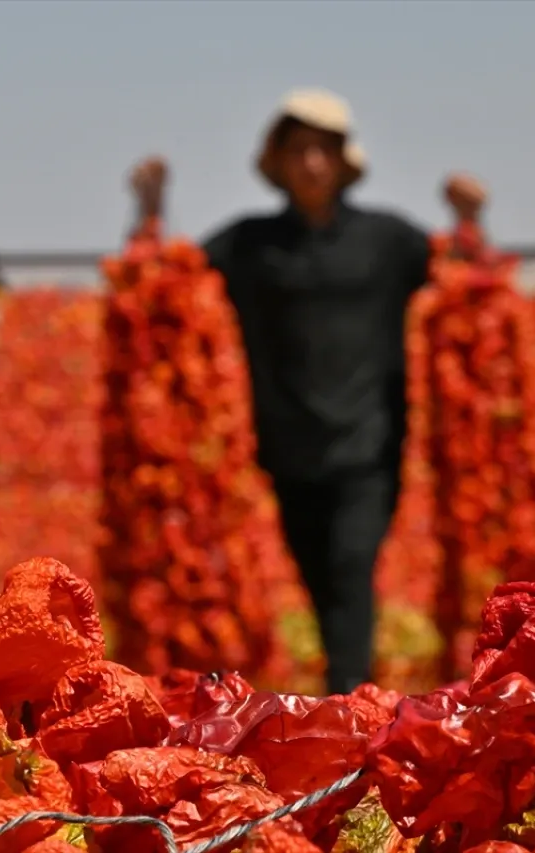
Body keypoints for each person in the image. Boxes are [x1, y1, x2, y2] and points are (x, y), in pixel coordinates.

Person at [127, 88, 484, 695]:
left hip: (369, 445)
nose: (312, 163)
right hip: (287, 447)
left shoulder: (387, 239)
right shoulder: (250, 244)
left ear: (342, 163)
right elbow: (162, 283)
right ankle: (347, 693)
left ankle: (353, 701)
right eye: (299, 151)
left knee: (351, 565)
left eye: (323, 150)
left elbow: (468, 281)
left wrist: (469, 219)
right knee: (319, 575)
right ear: (281, 164)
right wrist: (150, 207)